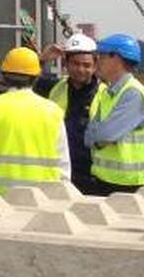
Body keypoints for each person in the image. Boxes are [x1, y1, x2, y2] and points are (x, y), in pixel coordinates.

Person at [0, 46, 69, 195]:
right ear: (37, 76)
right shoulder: (53, 111)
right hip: (45, 200)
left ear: (4, 75)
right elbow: (63, 165)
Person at [82, 32, 144, 194]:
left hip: (133, 184)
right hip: (109, 181)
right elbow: (89, 137)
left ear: (116, 58)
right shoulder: (107, 93)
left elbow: (104, 134)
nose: (98, 63)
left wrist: (98, 137)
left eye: (102, 57)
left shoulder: (133, 94)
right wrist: (98, 138)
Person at [38, 31, 102, 192]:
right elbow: (25, 81)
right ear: (66, 64)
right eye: (75, 63)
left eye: (86, 65)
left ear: (95, 66)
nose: (80, 69)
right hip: (59, 172)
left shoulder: (105, 94)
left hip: (92, 176)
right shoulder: (54, 88)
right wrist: (41, 60)